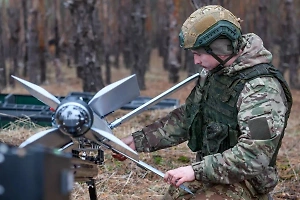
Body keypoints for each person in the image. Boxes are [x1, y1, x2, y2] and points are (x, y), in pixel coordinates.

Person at [120, 5, 293, 200]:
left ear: (221, 48)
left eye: (199, 53)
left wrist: (195, 171)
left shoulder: (262, 89)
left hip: (247, 182)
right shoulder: (215, 73)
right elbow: (190, 117)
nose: (195, 61)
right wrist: (138, 141)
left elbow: (254, 156)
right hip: (213, 172)